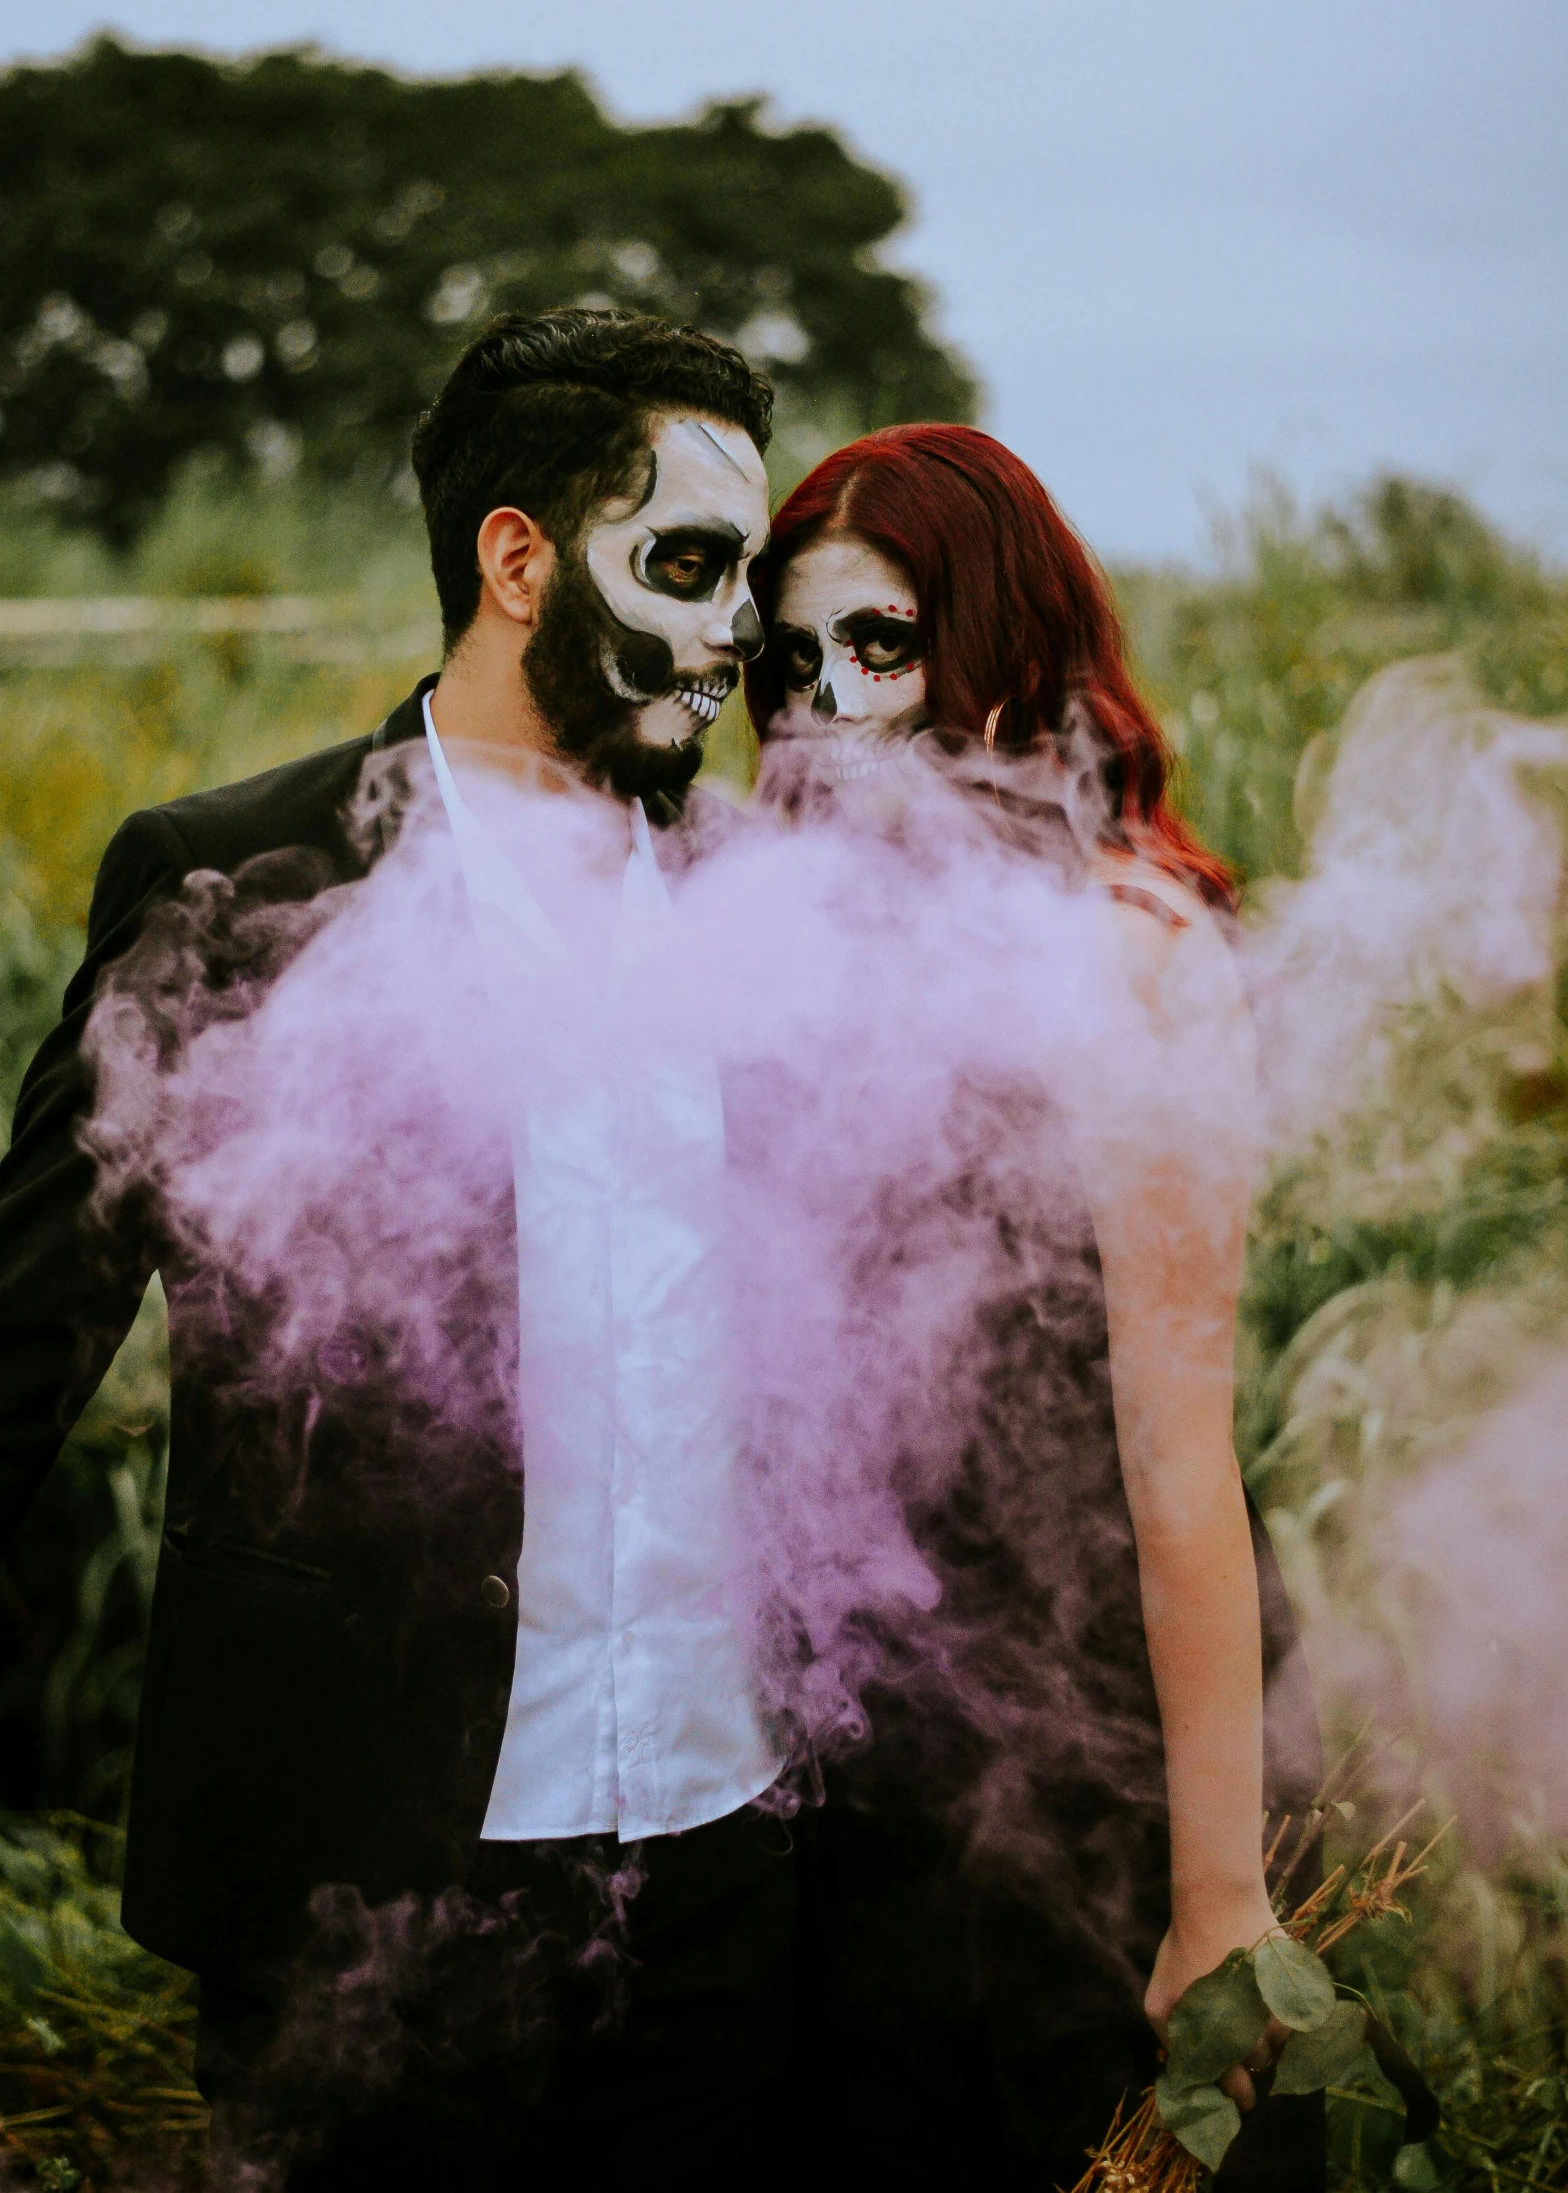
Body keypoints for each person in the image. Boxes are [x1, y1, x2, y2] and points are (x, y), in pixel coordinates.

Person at [0, 309, 805, 2188]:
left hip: (727, 1871)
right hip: (354, 1881)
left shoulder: (767, 911)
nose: (732, 631)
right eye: (686, 564)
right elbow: (29, 1315)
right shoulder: (239, 883)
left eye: (745, 579)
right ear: (518, 559)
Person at [746, 422, 1326, 2188]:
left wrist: (1216, 1896)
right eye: (795, 660)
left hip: (1092, 1714)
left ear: (1001, 645)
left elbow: (1176, 1451)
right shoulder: (777, 928)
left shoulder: (1138, 949)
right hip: (844, 1721)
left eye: (885, 643)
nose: (834, 702)